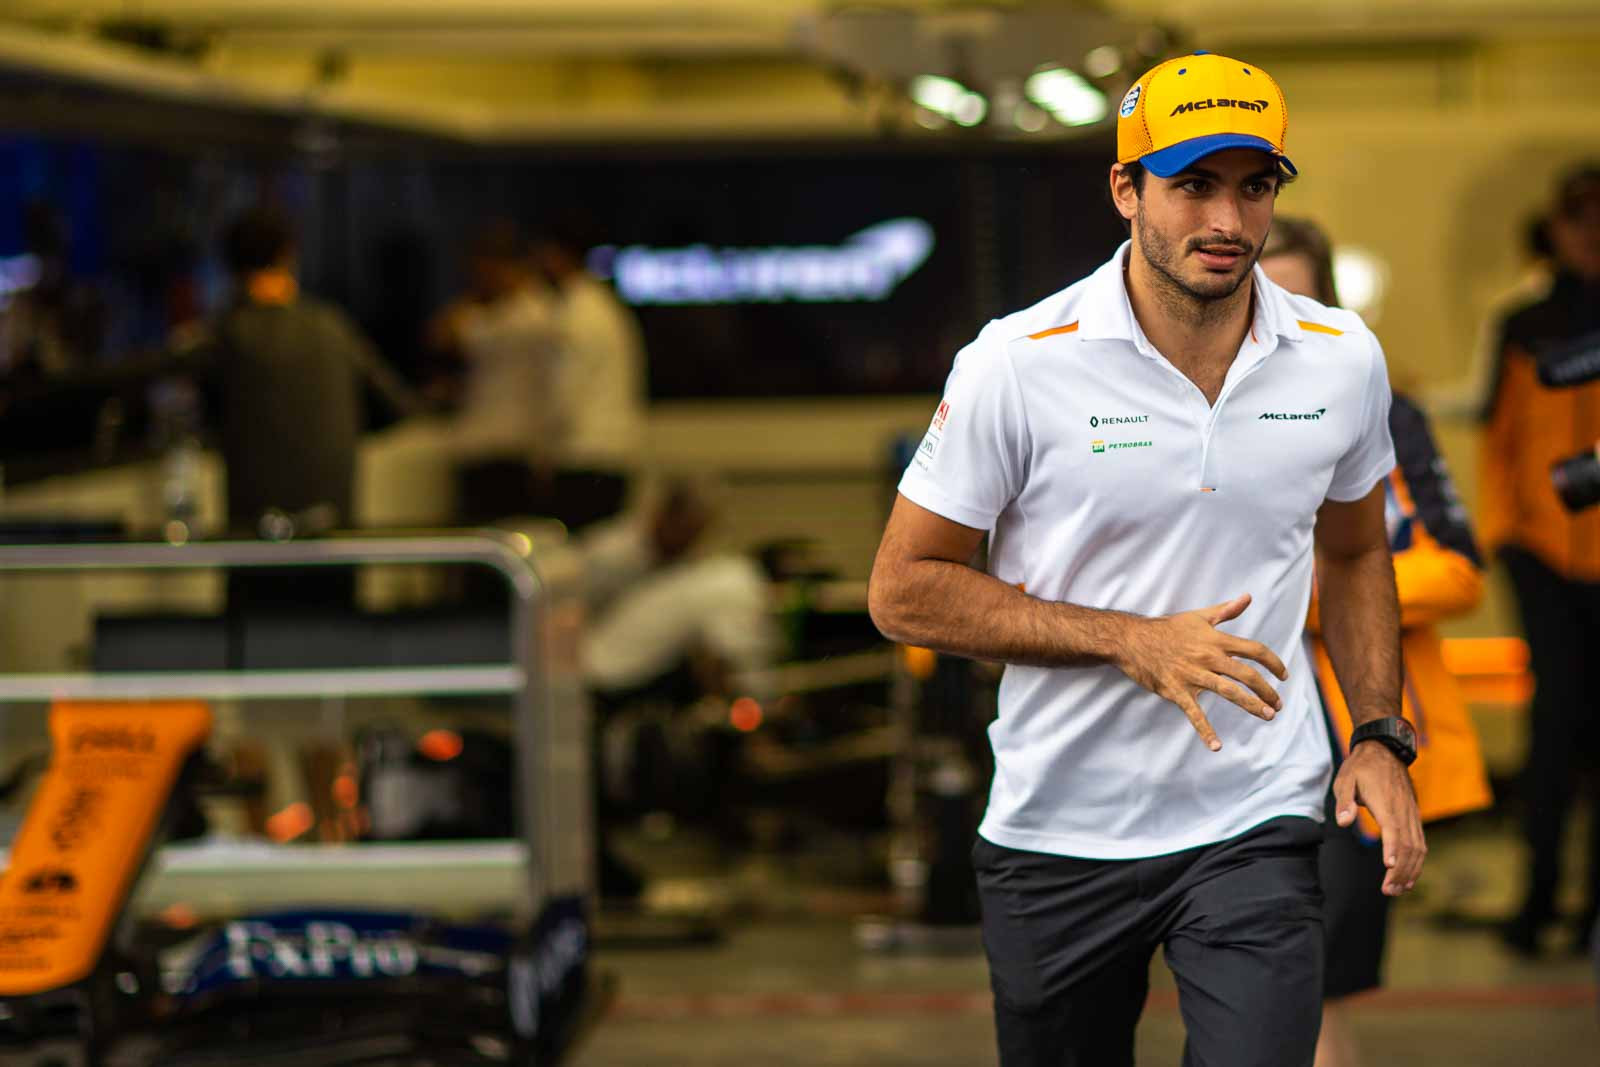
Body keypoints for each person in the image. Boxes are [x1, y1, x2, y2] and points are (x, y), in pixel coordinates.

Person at [868, 52, 1425, 1066]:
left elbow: (1352, 555)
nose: (1226, 220)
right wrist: (1128, 640)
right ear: (1125, 189)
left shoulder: (1341, 357)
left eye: (1253, 186)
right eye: (1192, 185)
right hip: (1057, 827)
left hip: (1256, 816)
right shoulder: (1018, 361)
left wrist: (1381, 733)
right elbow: (903, 590)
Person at [1261, 217, 1493, 1067]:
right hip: (1231, 734)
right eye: (1266, 294)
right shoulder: (1187, 404)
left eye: (1303, 298)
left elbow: (1458, 568)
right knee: (1280, 985)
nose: (1283, 317)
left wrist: (1319, 597)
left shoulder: (1384, 409)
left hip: (1362, 739)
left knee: (1310, 984)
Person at [1478, 163, 1600, 957]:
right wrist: (1503, 539)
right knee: (1555, 723)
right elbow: (1500, 439)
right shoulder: (1525, 324)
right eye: (1580, 216)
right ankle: (1537, 897)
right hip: (1543, 555)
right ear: (1554, 226)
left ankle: (1593, 913)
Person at [428, 219, 566, 523]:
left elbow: (446, 332)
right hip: (492, 450)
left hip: (508, 453)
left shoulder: (527, 315)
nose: (481, 278)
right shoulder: (521, 310)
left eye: (485, 269)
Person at [531, 219, 649, 529]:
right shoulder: (606, 306)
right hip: (615, 452)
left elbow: (565, 393)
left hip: (583, 456)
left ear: (556, 255)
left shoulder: (575, 314)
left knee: (580, 565)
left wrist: (542, 449)